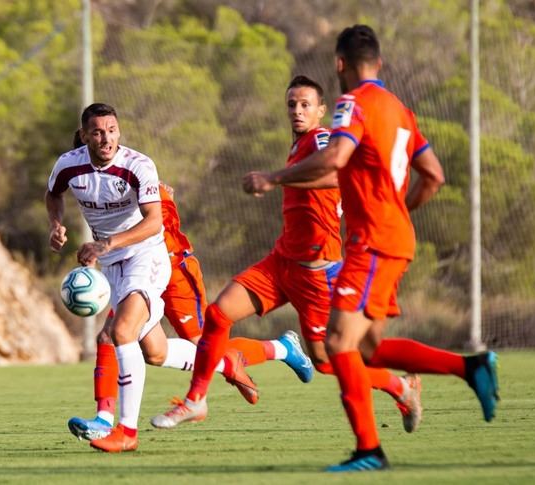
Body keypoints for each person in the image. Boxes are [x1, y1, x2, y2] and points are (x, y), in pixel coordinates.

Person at [242, 25, 500, 472]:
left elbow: (335, 158)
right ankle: (470, 368)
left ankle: (368, 450)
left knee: (339, 344)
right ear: (378, 63)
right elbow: (434, 175)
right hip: (394, 238)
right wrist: (397, 212)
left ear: (340, 64)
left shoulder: (352, 104)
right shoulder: (400, 110)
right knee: (370, 349)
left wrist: (274, 178)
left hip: (371, 242)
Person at [151, 75, 421, 432]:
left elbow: (338, 169)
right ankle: (196, 400)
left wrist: (275, 178)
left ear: (321, 110)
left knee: (327, 362)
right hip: (281, 263)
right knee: (218, 314)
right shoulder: (298, 147)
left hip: (315, 272)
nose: (297, 110)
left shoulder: (321, 138)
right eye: (292, 104)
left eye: (305, 104)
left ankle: (400, 386)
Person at [63, 130, 313, 446]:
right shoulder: (94, 190)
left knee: (200, 344)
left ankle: (279, 349)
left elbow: (150, 219)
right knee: (146, 349)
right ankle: (103, 419)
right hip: (138, 274)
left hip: (173, 269)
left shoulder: (130, 176)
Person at [46, 103, 259, 453]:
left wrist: (105, 243)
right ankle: (224, 362)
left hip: (147, 256)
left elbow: (153, 222)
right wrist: (55, 224)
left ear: (119, 131)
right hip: (113, 265)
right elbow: (53, 194)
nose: (106, 138)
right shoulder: (69, 165)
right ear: (85, 135)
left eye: (112, 130)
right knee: (155, 353)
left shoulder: (137, 165)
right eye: (97, 132)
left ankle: (124, 431)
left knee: (119, 332)